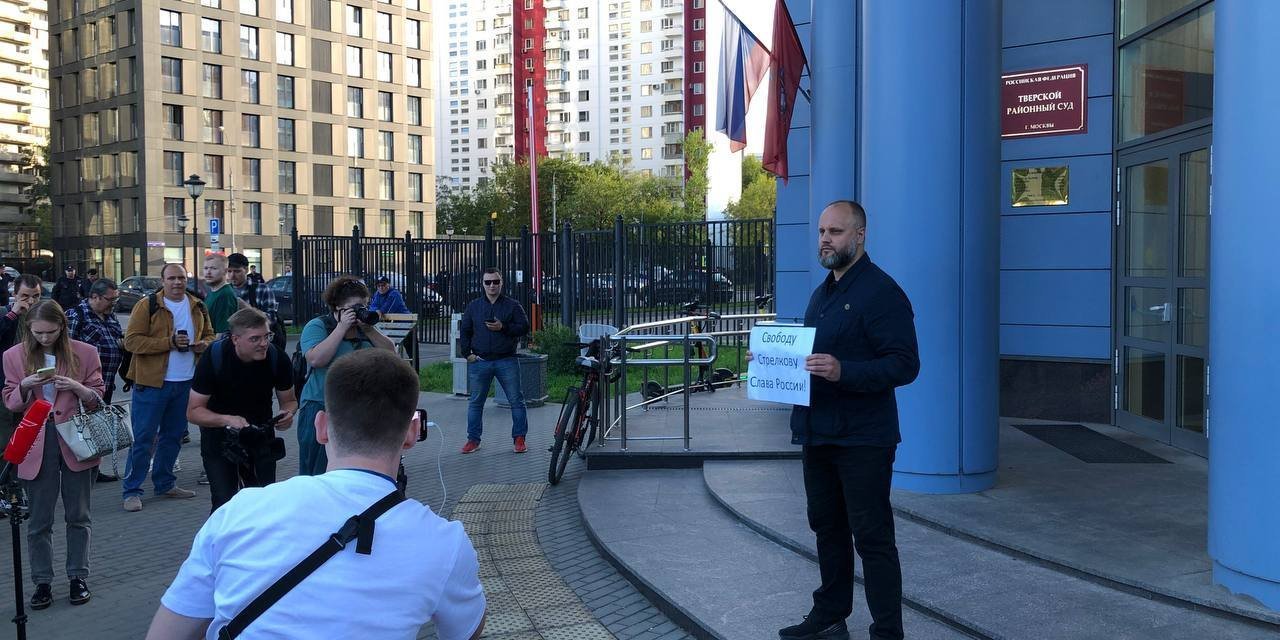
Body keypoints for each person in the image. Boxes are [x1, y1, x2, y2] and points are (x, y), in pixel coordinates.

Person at [145, 349, 485, 640]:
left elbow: (167, 633)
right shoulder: (445, 542)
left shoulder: (240, 510)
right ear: (412, 432)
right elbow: (466, 631)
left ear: (321, 427)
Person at [761, 201, 919, 640]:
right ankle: (830, 617)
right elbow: (811, 359)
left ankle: (888, 632)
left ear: (860, 235)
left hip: (864, 439)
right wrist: (772, 361)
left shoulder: (883, 292)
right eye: (821, 232)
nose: (825, 240)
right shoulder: (822, 294)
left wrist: (844, 371)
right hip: (819, 432)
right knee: (827, 528)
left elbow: (905, 364)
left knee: (872, 538)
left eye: (836, 231)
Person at [2, 300, 107, 610]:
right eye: (38, 333)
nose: (44, 338)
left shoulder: (84, 352)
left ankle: (78, 576)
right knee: (39, 519)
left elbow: (98, 397)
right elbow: (11, 402)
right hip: (37, 439)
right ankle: (42, 582)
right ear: (28, 329)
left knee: (79, 515)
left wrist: (77, 387)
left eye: (50, 332)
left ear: (62, 326)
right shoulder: (13, 355)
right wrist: (24, 385)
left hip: (76, 437)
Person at [120, 263, 214, 513]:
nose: (177, 282)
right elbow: (131, 342)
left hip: (185, 382)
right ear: (163, 281)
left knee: (173, 437)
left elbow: (210, 334)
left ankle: (164, 483)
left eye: (181, 278)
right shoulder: (148, 305)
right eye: (171, 278)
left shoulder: (198, 305)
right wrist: (169, 343)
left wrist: (204, 344)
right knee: (144, 438)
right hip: (151, 383)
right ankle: (132, 490)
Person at [187, 308, 297, 512]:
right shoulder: (214, 356)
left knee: (263, 502)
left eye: (267, 336)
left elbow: (289, 401)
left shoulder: (276, 357)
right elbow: (193, 411)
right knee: (223, 502)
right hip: (219, 438)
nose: (263, 343)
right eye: (255, 339)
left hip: (259, 436)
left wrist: (287, 414)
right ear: (235, 339)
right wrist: (228, 420)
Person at [297, 276, 395, 475]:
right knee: (317, 471)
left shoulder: (364, 329)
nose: (360, 311)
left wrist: (369, 329)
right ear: (337, 307)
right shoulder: (318, 326)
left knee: (355, 470)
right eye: (354, 308)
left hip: (358, 409)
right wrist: (341, 328)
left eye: (364, 306)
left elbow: (391, 355)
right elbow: (316, 359)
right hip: (321, 407)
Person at [457, 268, 530, 454]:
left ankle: (519, 438)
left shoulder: (512, 305)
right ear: (482, 284)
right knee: (475, 403)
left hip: (506, 360)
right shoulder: (474, 306)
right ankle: (473, 440)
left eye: (495, 282)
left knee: (516, 401)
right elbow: (465, 331)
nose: (492, 286)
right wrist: (467, 354)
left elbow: (524, 327)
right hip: (480, 361)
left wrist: (503, 327)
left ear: (501, 283)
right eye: (488, 282)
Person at [66, 277, 125, 483]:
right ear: (94, 297)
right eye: (110, 299)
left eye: (116, 299)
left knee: (98, 428)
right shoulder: (76, 315)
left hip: (105, 383)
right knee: (82, 428)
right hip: (82, 387)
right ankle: (77, 470)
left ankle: (94, 469)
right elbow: (66, 349)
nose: (113, 303)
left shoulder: (110, 316)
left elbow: (116, 339)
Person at [0, 274, 44, 445]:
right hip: (7, 385)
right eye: (25, 296)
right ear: (15, 294)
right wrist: (13, 314)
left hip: (36, 385)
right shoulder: (5, 313)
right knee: (6, 439)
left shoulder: (43, 315)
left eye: (36, 296)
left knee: (30, 440)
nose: (31, 301)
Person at [200, 254, 239, 337]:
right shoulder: (213, 292)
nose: (208, 272)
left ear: (225, 271)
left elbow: (222, 334)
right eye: (206, 268)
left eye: (213, 268)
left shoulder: (225, 295)